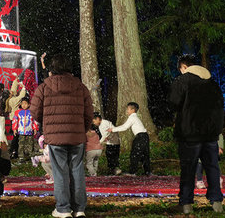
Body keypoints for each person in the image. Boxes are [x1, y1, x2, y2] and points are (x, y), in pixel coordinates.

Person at [31, 54, 93, 218]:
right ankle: (79, 209)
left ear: (52, 69)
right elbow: (88, 113)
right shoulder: (80, 87)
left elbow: (35, 111)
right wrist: (82, 129)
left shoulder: (44, 87)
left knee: (60, 174)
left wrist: (47, 124)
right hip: (77, 137)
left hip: (55, 139)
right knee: (77, 172)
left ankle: (63, 209)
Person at [168, 54, 224, 214]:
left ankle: (186, 203)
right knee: (212, 167)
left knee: (188, 168)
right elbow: (220, 107)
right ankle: (216, 201)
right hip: (211, 134)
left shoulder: (182, 81)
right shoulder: (212, 83)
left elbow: (173, 103)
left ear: (184, 67)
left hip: (189, 132)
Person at [108, 102, 151, 176]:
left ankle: (132, 172)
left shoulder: (132, 117)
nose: (127, 111)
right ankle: (147, 172)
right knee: (144, 154)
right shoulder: (135, 117)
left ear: (133, 110)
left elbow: (125, 127)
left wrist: (113, 129)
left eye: (128, 109)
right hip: (144, 136)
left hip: (140, 136)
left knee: (134, 154)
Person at [12, 98, 39, 162]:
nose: (24, 105)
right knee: (21, 144)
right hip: (21, 131)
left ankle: (32, 156)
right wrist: (14, 129)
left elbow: (35, 120)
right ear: (20, 104)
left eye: (25, 104)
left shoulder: (32, 112)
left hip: (29, 130)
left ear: (29, 104)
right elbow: (15, 121)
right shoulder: (17, 112)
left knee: (31, 143)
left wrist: (35, 128)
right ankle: (21, 156)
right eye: (22, 104)